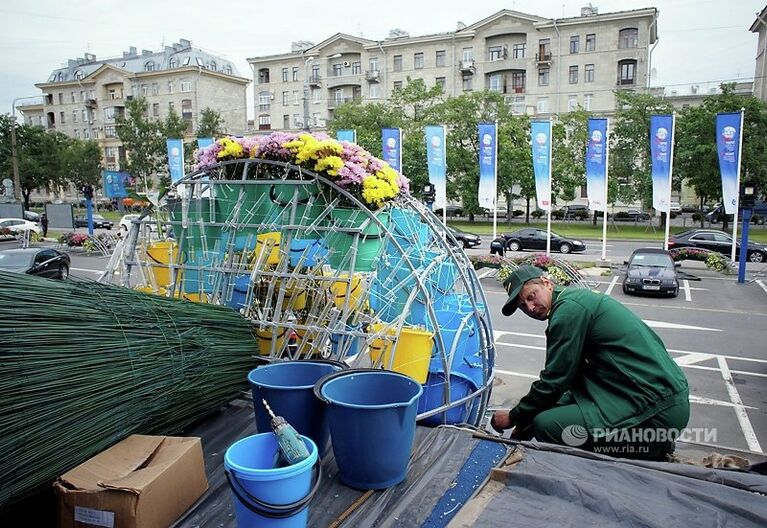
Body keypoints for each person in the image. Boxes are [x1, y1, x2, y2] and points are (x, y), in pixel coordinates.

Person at [491, 265, 689, 461]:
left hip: (658, 411)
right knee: (543, 414)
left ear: (546, 283)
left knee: (546, 426)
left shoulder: (568, 312)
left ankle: (648, 451)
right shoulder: (576, 300)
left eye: (531, 296)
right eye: (523, 306)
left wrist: (514, 417)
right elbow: (568, 382)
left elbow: (554, 382)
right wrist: (526, 418)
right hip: (660, 400)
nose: (531, 308)